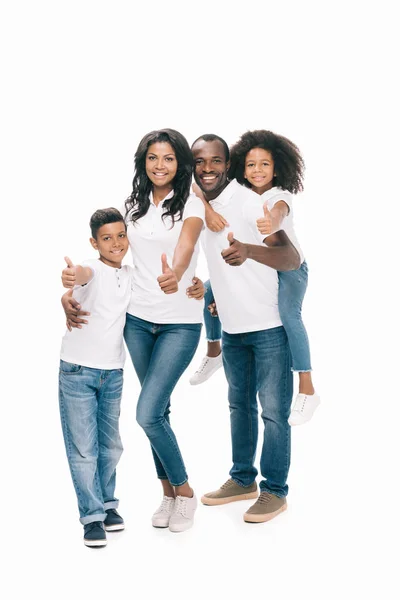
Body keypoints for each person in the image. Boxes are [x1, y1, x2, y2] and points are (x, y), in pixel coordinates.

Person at [62, 129, 205, 533]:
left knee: (147, 412)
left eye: (169, 158)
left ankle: (186, 492)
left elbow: (188, 245)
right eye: (153, 158)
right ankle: (168, 495)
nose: (160, 165)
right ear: (144, 162)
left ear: (180, 164)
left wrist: (178, 276)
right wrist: (71, 289)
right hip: (138, 321)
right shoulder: (132, 205)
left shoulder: (192, 203)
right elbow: (110, 250)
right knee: (159, 412)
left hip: (179, 323)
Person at [191, 134, 300, 523]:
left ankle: (274, 491)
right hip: (233, 328)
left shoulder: (250, 201)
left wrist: (249, 250)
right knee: (239, 407)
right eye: (199, 161)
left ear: (228, 164)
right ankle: (242, 479)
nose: (207, 168)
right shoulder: (197, 206)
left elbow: (290, 257)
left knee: (273, 412)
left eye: (216, 161)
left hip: (269, 325)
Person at [190, 130, 320, 426]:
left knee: (289, 315)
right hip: (264, 271)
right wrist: (208, 209)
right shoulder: (238, 194)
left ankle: (308, 387)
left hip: (291, 269)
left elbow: (278, 212)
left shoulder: (277, 196)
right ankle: (213, 351)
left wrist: (270, 221)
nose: (257, 171)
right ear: (240, 168)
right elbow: (198, 190)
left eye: (264, 164)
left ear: (277, 168)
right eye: (251, 165)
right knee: (211, 292)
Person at [59, 208, 131, 548]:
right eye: (107, 238)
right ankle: (91, 516)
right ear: (94, 242)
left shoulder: (130, 273)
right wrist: (71, 279)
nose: (115, 243)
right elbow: (83, 274)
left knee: (111, 445)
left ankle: (107, 503)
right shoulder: (93, 269)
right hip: (78, 370)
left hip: (113, 371)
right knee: (84, 450)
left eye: (121, 235)